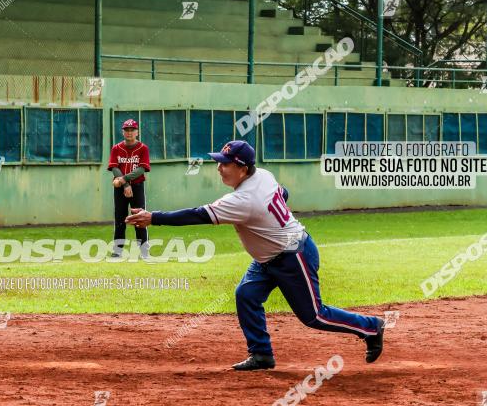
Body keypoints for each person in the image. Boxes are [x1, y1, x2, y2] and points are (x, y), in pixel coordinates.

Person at [126, 140, 385, 371]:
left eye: (225, 163)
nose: (219, 167)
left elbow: (198, 215)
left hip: (293, 257)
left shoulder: (243, 200)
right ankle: (261, 354)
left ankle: (371, 327)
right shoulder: (262, 174)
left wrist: (153, 218)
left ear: (241, 168)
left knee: (314, 316)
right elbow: (283, 194)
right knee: (246, 295)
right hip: (268, 258)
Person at [107, 119, 150, 258]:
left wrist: (124, 180)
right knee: (120, 218)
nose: (129, 132)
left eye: (132, 130)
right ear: (123, 132)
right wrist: (125, 185)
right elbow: (114, 167)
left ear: (137, 132)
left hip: (137, 186)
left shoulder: (143, 148)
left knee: (140, 218)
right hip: (120, 188)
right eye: (127, 130)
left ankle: (144, 252)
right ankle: (117, 252)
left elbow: (142, 168)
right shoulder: (116, 148)